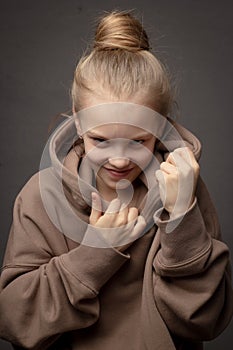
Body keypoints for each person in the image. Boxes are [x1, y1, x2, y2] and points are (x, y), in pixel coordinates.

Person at [0, 10, 232, 350]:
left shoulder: (183, 189)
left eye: (139, 141)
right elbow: (15, 319)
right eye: (100, 140)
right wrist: (95, 253)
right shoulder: (40, 195)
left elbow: (207, 320)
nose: (120, 160)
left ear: (161, 126)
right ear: (78, 123)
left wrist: (181, 218)